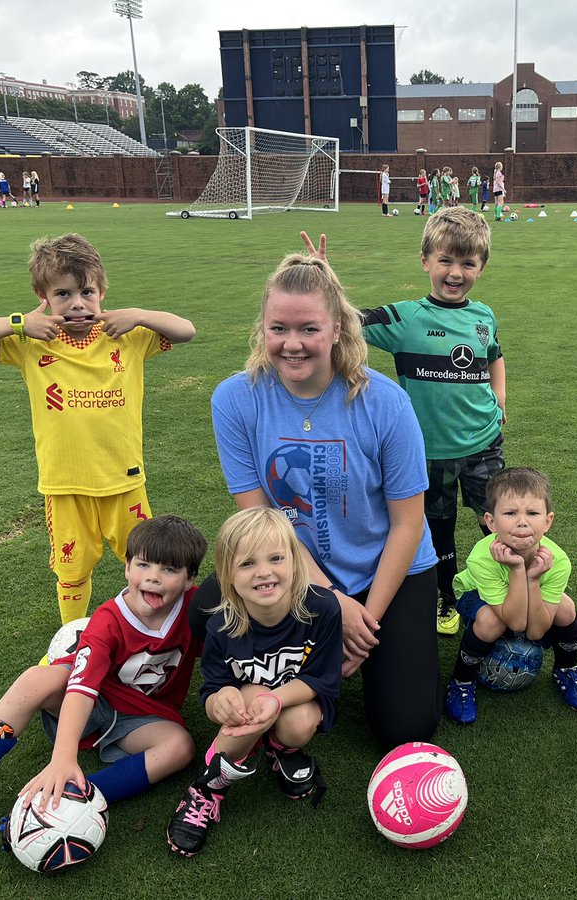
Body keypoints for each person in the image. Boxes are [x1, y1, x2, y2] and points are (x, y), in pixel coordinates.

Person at [205, 248, 440, 748]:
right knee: (202, 609)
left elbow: (408, 523)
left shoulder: (384, 401)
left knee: (406, 727)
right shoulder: (234, 398)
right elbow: (259, 514)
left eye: (308, 329)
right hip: (296, 568)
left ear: (337, 328)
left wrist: (364, 622)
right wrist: (332, 603)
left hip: (390, 572)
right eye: (278, 329)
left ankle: (321, 659)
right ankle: (279, 678)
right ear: (262, 329)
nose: (292, 344)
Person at [0, 515, 208, 864]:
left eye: (169, 569)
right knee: (37, 679)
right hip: (86, 697)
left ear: (190, 578)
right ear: (127, 567)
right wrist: (63, 757)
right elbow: (81, 687)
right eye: (143, 564)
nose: (152, 576)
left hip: (142, 714)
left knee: (179, 747)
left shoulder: (198, 609)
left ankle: (64, 802)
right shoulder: (108, 620)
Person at [0, 233, 196, 623]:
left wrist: (140, 314)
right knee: (73, 569)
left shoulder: (126, 336)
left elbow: (186, 330)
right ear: (42, 295)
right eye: (62, 294)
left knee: (151, 563)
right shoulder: (32, 340)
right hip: (65, 485)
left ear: (101, 291)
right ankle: (72, 637)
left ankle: (162, 630)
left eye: (87, 292)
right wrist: (19, 323)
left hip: (123, 480)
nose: (77, 303)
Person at [361, 207, 506, 637]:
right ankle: (447, 598)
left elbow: (494, 355)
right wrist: (322, 279)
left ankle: (495, 591)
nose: (455, 272)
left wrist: (499, 395)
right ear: (425, 260)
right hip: (428, 454)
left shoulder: (483, 316)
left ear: (481, 266)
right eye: (445, 260)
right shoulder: (405, 319)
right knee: (438, 531)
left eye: (467, 263)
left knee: (496, 522)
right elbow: (343, 322)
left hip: (484, 443)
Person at [166, 508, 342, 857]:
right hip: (253, 699)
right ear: (227, 576)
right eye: (247, 564)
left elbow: (320, 680)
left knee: (298, 722)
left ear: (296, 562)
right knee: (247, 705)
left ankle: (282, 748)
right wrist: (224, 700)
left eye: (276, 558)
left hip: (294, 699)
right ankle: (207, 789)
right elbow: (213, 689)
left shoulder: (323, 608)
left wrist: (276, 700)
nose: (264, 572)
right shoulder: (220, 625)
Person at [444, 467, 577, 723]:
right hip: (474, 594)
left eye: (533, 513)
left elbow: (535, 631)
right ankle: (462, 680)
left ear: (548, 521)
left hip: (525, 601)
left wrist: (533, 578)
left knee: (566, 608)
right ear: (491, 522)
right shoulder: (482, 557)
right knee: (492, 621)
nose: (522, 521)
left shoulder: (557, 561)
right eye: (510, 513)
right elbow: (515, 622)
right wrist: (516, 569)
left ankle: (567, 668)